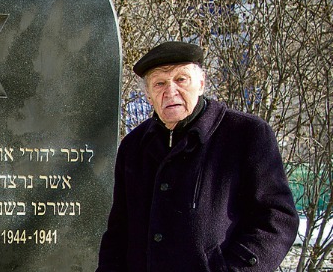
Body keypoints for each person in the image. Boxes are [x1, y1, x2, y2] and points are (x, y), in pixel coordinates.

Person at [97, 41, 299, 271]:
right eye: (159, 83)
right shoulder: (134, 147)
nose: (170, 91)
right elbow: (119, 231)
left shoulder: (245, 135)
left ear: (201, 83)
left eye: (181, 79)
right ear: (148, 96)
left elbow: (277, 219)